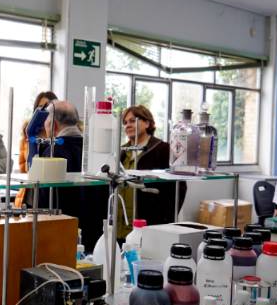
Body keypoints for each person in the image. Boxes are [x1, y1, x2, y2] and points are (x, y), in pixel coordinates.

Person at [37, 101, 106, 249]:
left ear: (54, 125)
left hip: (62, 234)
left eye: (46, 125)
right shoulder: (93, 150)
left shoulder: (52, 152)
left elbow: (44, 199)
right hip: (96, 235)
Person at [118, 105, 186, 236]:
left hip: (151, 224)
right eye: (125, 122)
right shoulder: (122, 151)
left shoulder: (163, 149)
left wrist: (166, 219)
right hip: (122, 225)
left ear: (147, 123)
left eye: (132, 121)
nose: (128, 125)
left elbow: (180, 187)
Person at [15, 91, 57, 208]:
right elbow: (24, 169)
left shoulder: (57, 136)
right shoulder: (27, 136)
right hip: (28, 194)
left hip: (48, 195)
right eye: (41, 107)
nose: (45, 111)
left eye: (48, 107)